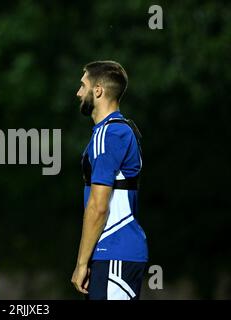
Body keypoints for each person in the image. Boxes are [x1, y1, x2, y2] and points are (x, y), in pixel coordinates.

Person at [71, 61, 148, 300]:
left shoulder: (110, 133)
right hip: (112, 253)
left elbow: (98, 205)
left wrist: (81, 263)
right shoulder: (117, 130)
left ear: (98, 90)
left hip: (113, 250)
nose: (78, 93)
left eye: (83, 85)